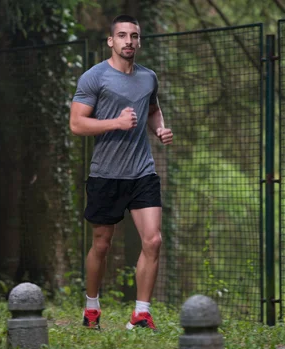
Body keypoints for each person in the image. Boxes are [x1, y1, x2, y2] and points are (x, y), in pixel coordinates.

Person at [69, 14, 173, 330]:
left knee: (153, 241)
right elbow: (76, 124)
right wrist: (115, 122)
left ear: (139, 41)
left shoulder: (148, 78)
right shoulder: (94, 77)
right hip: (106, 174)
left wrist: (160, 129)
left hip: (142, 172)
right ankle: (91, 309)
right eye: (122, 35)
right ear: (111, 41)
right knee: (101, 244)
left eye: (134, 36)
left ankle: (141, 314)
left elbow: (152, 110)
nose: (129, 41)